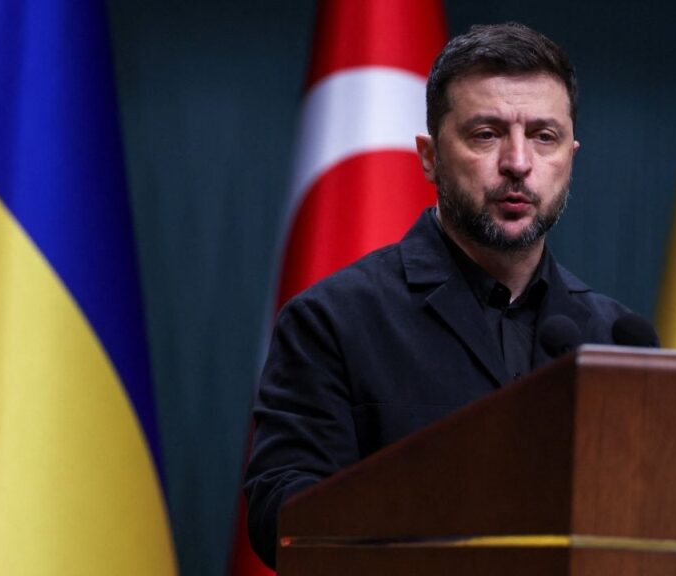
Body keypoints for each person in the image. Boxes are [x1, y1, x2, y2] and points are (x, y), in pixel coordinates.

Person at [244, 22, 645, 568]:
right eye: (486, 134)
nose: (519, 163)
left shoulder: (613, 338)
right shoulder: (334, 320)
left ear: (570, 155)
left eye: (544, 137)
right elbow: (280, 517)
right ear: (429, 156)